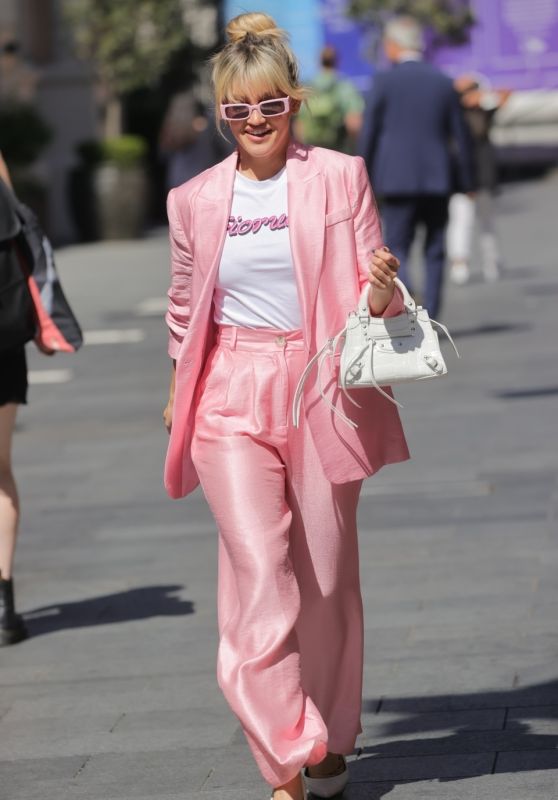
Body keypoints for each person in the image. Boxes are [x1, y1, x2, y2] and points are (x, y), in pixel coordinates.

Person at [162, 12, 409, 800]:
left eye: (269, 104)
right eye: (238, 110)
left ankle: (331, 738)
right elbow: (181, 306)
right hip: (230, 395)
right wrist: (179, 388)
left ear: (294, 102)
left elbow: (386, 301)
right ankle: (287, 754)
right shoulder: (193, 199)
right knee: (259, 574)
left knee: (326, 579)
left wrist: (379, 293)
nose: (256, 120)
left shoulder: (340, 175)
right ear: (220, 115)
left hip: (322, 385)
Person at [358, 15, 473, 318]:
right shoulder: (443, 82)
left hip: (395, 180)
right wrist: (467, 181)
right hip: (438, 179)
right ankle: (433, 314)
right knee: (435, 250)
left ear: (394, 46)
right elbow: (461, 137)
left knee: (396, 247)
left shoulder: (383, 82)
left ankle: (409, 310)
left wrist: (361, 178)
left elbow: (368, 134)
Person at [447, 74, 511, 285]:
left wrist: (487, 96)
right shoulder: (453, 115)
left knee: (487, 222)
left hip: (483, 176)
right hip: (461, 179)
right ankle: (460, 262)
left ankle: (491, 261)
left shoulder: (482, 111)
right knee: (461, 222)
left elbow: (504, 97)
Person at [294, 45, 364, 153]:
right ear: (336, 61)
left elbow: (299, 123)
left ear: (319, 61)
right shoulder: (343, 85)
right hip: (338, 149)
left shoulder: (309, 86)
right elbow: (354, 122)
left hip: (312, 150)